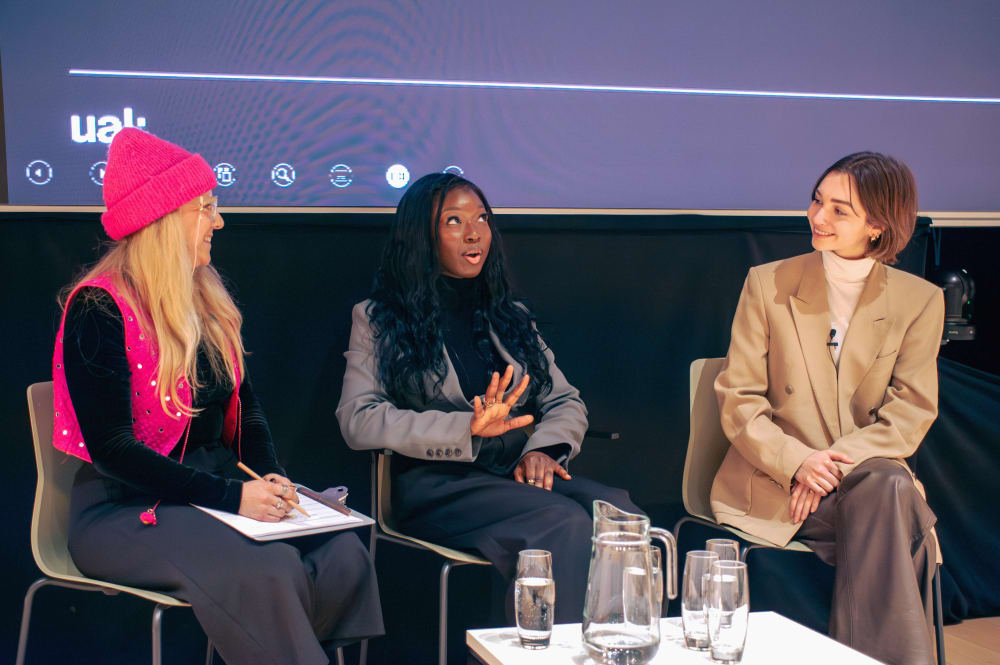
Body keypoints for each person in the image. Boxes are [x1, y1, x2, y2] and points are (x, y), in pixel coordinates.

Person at [53, 128, 383, 665]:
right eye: (206, 208)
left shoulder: (205, 302)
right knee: (269, 570)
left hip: (210, 494)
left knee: (343, 554)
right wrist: (233, 499)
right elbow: (113, 451)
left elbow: (246, 415)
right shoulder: (98, 308)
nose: (219, 221)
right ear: (163, 220)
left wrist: (269, 479)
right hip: (126, 508)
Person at [336, 172, 639, 623]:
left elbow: (565, 401)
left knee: (622, 516)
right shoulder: (379, 318)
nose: (474, 233)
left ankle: (617, 647)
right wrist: (466, 428)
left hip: (512, 473)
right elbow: (359, 419)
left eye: (481, 219)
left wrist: (543, 450)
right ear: (423, 236)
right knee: (563, 523)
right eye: (454, 221)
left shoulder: (509, 316)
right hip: (438, 485)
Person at [711, 152, 944, 665]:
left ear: (877, 226)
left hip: (853, 480)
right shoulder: (767, 283)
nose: (818, 217)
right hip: (776, 480)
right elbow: (738, 397)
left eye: (841, 210)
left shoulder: (919, 300)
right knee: (899, 509)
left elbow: (910, 411)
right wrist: (799, 463)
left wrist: (825, 468)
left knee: (883, 486)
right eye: (818, 201)